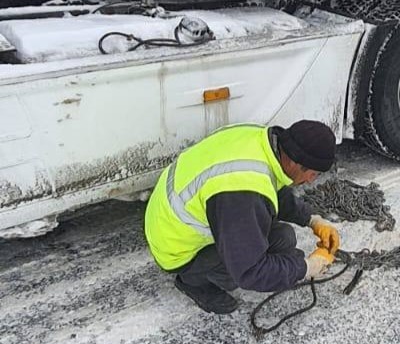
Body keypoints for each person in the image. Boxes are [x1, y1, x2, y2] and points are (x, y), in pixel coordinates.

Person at [144, 120, 341, 313]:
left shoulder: (263, 141)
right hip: (176, 249)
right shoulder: (241, 192)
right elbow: (250, 272)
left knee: (283, 237)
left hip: (169, 217)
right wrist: (307, 267)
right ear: (294, 161)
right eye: (313, 174)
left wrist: (312, 220)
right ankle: (193, 281)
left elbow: (273, 185)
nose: (309, 181)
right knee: (239, 272)